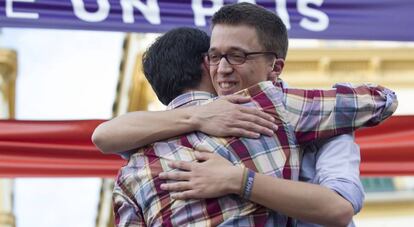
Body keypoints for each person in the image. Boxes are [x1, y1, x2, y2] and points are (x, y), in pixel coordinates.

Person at [95, 3, 398, 227]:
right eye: (216, 56)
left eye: (236, 56)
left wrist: (235, 178)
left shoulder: (130, 171)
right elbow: (381, 99)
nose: (224, 68)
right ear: (206, 64)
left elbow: (102, 136)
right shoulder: (268, 104)